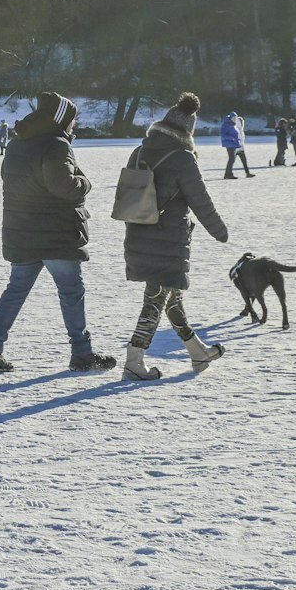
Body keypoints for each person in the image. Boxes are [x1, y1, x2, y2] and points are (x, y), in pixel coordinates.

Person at [0, 92, 118, 373]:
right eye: (73, 120)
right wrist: (85, 182)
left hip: (22, 231)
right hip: (56, 233)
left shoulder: (17, 143)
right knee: (71, 292)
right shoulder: (56, 145)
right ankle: (82, 354)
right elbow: (64, 186)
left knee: (15, 291)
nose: (74, 126)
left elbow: (11, 178)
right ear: (61, 120)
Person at [122, 92, 230, 381]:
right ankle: (134, 360)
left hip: (137, 236)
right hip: (167, 242)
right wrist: (220, 232)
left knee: (171, 298)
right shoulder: (182, 158)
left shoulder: (140, 151)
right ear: (188, 132)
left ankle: (197, 352)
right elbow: (201, 202)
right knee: (156, 300)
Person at [219, 111, 253, 179]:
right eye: (234, 118)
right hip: (229, 144)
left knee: (232, 160)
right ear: (230, 118)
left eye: (236, 118)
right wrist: (232, 138)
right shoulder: (226, 124)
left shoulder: (233, 125)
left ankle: (228, 174)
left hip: (234, 144)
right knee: (231, 159)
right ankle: (228, 175)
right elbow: (223, 135)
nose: (235, 119)